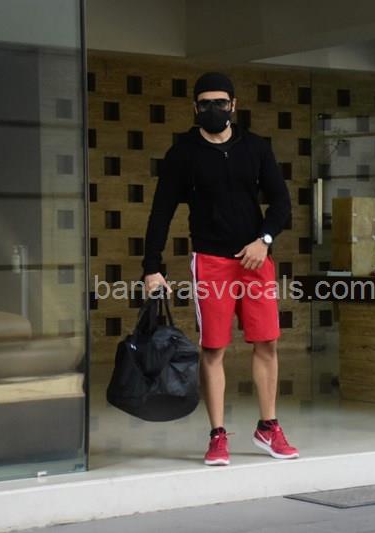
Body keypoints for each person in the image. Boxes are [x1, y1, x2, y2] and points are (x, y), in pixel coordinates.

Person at [142, 72, 298, 466]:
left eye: (221, 103)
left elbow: (281, 204)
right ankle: (217, 435)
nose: (214, 109)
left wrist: (263, 240)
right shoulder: (183, 154)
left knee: (267, 342)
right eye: (205, 104)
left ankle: (268, 426)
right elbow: (160, 212)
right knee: (213, 348)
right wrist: (151, 266)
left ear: (234, 106)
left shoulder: (256, 148)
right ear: (195, 108)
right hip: (211, 262)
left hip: (255, 259)